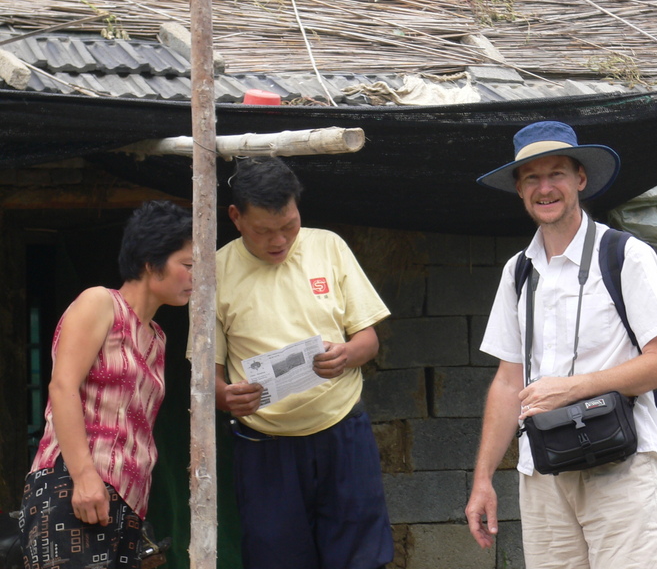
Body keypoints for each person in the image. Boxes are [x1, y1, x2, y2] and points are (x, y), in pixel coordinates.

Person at [465, 121, 657, 568]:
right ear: (519, 188)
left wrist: (572, 388)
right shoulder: (518, 272)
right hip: (542, 469)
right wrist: (483, 480)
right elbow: (509, 382)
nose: (545, 188)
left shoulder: (624, 255)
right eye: (532, 178)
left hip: (620, 465)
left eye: (557, 174)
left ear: (580, 180)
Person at [210, 157, 393, 569]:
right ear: (236, 218)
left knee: (361, 557)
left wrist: (346, 354)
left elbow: (368, 339)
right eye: (264, 231)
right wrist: (225, 396)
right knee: (276, 557)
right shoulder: (216, 270)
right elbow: (208, 372)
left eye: (288, 225)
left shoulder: (328, 245)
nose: (279, 240)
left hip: (342, 431)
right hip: (264, 444)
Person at [19, 200, 193, 569]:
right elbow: (62, 387)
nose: (197, 277)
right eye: (189, 265)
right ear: (150, 262)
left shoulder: (157, 338)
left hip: (126, 501)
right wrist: (84, 476)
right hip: (72, 485)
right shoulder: (100, 303)